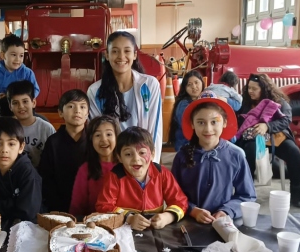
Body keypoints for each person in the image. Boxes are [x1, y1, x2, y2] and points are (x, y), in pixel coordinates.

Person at [171, 99, 255, 223]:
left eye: (214, 122)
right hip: (187, 222)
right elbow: (173, 194)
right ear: (192, 124)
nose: (208, 129)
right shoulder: (182, 156)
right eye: (201, 122)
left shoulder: (236, 155)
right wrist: (192, 210)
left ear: (224, 123)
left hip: (223, 223)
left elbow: (247, 196)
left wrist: (227, 211)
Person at [87, 31, 163, 162]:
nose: (121, 56)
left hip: (142, 160)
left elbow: (154, 129)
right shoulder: (95, 91)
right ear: (107, 55)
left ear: (134, 55)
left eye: (127, 51)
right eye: (115, 51)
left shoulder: (149, 85)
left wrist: (150, 164)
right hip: (113, 161)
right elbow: (98, 134)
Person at [95, 127, 188, 231]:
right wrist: (128, 218)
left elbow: (180, 201)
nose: (136, 159)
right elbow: (103, 206)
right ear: (119, 157)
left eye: (142, 153)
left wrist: (167, 217)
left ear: (152, 154)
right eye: (128, 154)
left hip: (155, 229)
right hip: (124, 229)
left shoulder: (162, 173)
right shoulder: (115, 177)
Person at [235, 73, 300, 207]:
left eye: (254, 89)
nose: (250, 91)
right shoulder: (246, 102)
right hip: (253, 138)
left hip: (276, 137)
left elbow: (286, 119)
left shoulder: (278, 101)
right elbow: (238, 119)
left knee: (294, 152)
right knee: (248, 152)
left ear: (264, 89)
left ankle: (296, 193)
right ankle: (245, 192)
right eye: (249, 88)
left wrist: (267, 126)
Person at [0, 117, 42, 230]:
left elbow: (27, 212)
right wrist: (14, 203)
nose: (4, 150)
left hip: (25, 229)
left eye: (11, 144)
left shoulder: (28, 172)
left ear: (21, 147)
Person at [39, 89, 90, 213]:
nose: (77, 110)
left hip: (91, 205)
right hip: (60, 206)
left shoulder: (94, 139)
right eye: (71, 106)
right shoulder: (53, 142)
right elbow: (46, 178)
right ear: (60, 112)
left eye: (82, 107)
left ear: (87, 114)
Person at [69, 115, 121, 218]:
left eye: (109, 134)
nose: (103, 139)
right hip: (93, 225)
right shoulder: (85, 170)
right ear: (91, 140)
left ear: (117, 137)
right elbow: (77, 206)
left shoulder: (125, 166)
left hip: (123, 223)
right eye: (97, 135)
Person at [0, 34, 40, 109]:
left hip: (23, 107)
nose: (18, 59)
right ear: (3, 56)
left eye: (21, 55)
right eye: (13, 55)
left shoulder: (27, 73)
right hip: (1, 108)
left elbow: (35, 89)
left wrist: (27, 98)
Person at [7, 80, 55, 167]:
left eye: (25, 101)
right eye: (15, 103)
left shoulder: (47, 128)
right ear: (10, 106)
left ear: (33, 103)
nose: (21, 106)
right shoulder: (6, 128)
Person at [169, 70, 205, 151]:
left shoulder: (204, 99)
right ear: (185, 88)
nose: (194, 86)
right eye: (189, 84)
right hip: (186, 145)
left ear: (202, 83)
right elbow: (188, 126)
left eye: (196, 82)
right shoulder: (183, 104)